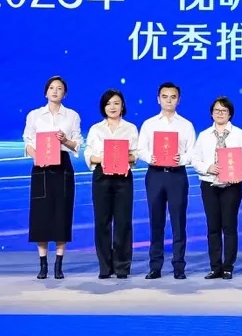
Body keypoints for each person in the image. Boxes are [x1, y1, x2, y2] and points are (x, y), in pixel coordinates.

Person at [22, 75, 82, 280]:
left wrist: (65, 140)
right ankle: (43, 264)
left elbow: (77, 144)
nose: (55, 91)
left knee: (61, 213)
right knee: (41, 214)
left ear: (65, 93)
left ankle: (59, 264)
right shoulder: (35, 115)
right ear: (45, 92)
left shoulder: (72, 116)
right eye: (51, 88)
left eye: (59, 88)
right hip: (41, 167)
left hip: (63, 166)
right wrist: (37, 157)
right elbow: (27, 141)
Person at [138, 82, 196, 280]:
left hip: (177, 175)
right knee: (156, 221)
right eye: (165, 96)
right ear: (158, 99)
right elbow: (141, 149)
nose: (168, 100)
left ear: (178, 100)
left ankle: (179, 266)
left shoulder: (186, 125)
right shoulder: (149, 124)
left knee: (178, 222)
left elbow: (192, 152)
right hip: (155, 174)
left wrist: (182, 158)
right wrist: (150, 157)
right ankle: (155, 266)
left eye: (173, 97)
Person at [191, 96, 242, 279]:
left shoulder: (239, 134)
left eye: (224, 111)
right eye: (217, 110)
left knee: (229, 226)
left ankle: (228, 266)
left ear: (230, 114)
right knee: (213, 227)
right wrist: (207, 167)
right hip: (209, 185)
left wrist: (238, 174)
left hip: (232, 186)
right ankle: (215, 266)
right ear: (211, 113)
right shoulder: (204, 135)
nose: (220, 113)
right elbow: (195, 159)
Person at [83, 89, 138, 279]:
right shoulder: (96, 129)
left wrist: (123, 157)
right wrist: (104, 158)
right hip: (102, 176)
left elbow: (135, 155)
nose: (112, 107)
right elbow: (88, 154)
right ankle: (105, 267)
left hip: (123, 177)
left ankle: (122, 266)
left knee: (123, 222)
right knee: (102, 222)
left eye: (116, 103)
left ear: (122, 105)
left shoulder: (130, 128)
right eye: (108, 104)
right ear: (103, 107)